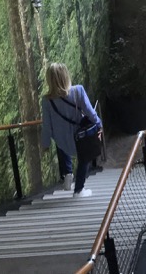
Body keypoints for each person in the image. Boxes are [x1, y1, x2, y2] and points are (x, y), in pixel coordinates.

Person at [40, 63, 102, 197]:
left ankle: (67, 176)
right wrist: (99, 124)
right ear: (65, 76)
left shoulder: (47, 100)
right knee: (83, 159)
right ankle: (79, 190)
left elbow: (47, 126)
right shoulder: (78, 91)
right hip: (79, 138)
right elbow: (90, 113)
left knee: (61, 143)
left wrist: (45, 144)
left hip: (62, 141)